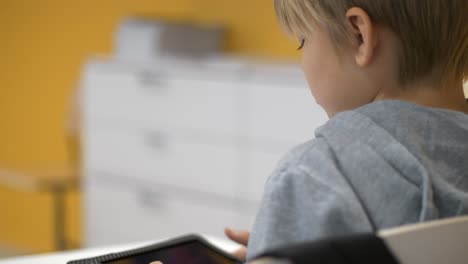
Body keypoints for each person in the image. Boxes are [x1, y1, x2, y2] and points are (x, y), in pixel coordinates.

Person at [226, 0, 468, 262]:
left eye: (302, 41)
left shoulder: (313, 177)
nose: (302, 60)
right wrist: (291, 242)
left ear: (359, 36)